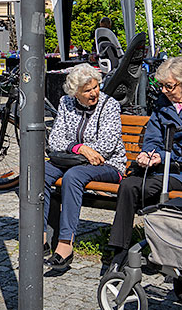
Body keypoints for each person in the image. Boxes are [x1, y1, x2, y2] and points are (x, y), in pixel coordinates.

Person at [106, 55, 182, 264]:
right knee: (129, 185)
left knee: (147, 187)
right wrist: (149, 153)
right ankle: (118, 252)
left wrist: (163, 156)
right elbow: (153, 137)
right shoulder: (164, 103)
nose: (164, 91)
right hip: (165, 168)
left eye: (169, 86)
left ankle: (167, 251)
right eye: (161, 85)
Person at [41, 65, 126, 272]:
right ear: (75, 93)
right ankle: (40, 237)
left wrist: (83, 151)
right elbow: (55, 140)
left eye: (96, 87)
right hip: (71, 160)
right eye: (87, 91)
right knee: (39, 173)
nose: (94, 93)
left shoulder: (109, 105)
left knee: (73, 177)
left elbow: (106, 147)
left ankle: (65, 245)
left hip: (108, 164)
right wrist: (79, 148)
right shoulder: (66, 102)